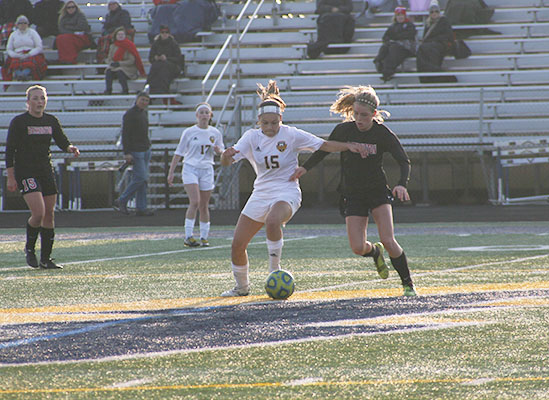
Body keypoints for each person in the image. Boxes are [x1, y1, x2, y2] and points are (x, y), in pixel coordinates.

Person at [219, 80, 371, 297]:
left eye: (274, 123)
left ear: (281, 119)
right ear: (258, 122)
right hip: (261, 192)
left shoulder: (291, 134)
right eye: (266, 123)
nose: (270, 128)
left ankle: (274, 271)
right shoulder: (251, 137)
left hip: (287, 191)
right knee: (237, 245)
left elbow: (324, 145)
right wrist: (225, 157)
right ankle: (241, 287)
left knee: (273, 220)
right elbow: (228, 161)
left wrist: (349, 146)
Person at [290, 85, 417, 297]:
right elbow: (324, 149)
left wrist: (402, 183)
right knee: (358, 248)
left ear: (374, 114)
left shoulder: (382, 134)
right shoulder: (344, 131)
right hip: (352, 193)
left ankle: (407, 284)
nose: (359, 118)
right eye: (356, 113)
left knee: (388, 239)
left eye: (364, 115)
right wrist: (304, 168)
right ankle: (375, 252)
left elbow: (404, 161)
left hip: (377, 191)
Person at [5, 85, 80, 269]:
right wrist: (11, 176)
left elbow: (62, 141)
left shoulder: (51, 120)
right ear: (28, 101)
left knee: (49, 215)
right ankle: (29, 249)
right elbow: (10, 150)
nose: (40, 102)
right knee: (38, 213)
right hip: (26, 172)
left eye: (42, 98)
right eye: (36, 98)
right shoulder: (19, 122)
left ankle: (46, 259)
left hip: (45, 170)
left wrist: (70, 148)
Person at [167, 103, 224, 247]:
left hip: (207, 169)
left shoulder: (215, 132)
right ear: (197, 115)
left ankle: (204, 237)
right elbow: (179, 152)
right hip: (190, 168)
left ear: (210, 115)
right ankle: (188, 236)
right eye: (202, 112)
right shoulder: (189, 132)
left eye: (207, 112)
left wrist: (219, 151)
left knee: (204, 205)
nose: (204, 115)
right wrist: (171, 172)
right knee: (195, 201)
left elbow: (221, 151)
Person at [114, 90, 155, 216]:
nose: (144, 102)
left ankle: (141, 208)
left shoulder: (144, 113)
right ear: (137, 100)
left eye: (146, 100)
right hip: (136, 151)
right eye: (142, 99)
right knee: (141, 177)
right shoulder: (129, 114)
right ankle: (122, 200)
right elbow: (125, 134)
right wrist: (127, 152)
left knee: (142, 180)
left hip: (145, 149)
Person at [416, 0, 456, 83]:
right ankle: (426, 75)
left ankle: (433, 73)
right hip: (430, 45)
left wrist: (434, 40)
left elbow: (448, 36)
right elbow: (425, 38)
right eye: (432, 12)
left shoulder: (444, 21)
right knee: (422, 49)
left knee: (428, 49)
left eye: (436, 11)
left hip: (441, 44)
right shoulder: (428, 24)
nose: (434, 13)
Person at [373, 6, 416, 82]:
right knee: (385, 47)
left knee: (394, 49)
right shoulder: (392, 26)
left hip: (406, 48)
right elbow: (385, 37)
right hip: (394, 46)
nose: (400, 17)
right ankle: (379, 64)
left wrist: (395, 39)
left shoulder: (409, 25)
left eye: (402, 15)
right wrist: (390, 41)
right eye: (398, 15)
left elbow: (409, 35)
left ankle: (388, 71)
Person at [2, 15, 47, 81]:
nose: (22, 25)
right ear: (17, 25)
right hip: (17, 54)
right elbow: (9, 49)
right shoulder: (13, 34)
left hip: (31, 53)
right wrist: (16, 55)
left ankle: (25, 75)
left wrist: (29, 54)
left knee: (30, 63)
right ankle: (19, 75)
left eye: (24, 23)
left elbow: (39, 47)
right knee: (14, 63)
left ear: (28, 24)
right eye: (20, 23)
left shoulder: (33, 32)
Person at [104, 27, 146, 95]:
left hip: (128, 68)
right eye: (119, 34)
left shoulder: (129, 45)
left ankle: (125, 90)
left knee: (120, 71)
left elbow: (131, 60)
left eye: (122, 34)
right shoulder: (113, 46)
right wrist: (111, 63)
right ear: (116, 36)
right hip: (115, 67)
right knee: (108, 71)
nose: (120, 36)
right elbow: (109, 58)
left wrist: (119, 63)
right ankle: (108, 90)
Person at [145, 25, 184, 98]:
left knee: (164, 66)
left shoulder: (173, 43)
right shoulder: (156, 44)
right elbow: (150, 58)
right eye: (163, 32)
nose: (164, 34)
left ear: (169, 33)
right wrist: (155, 58)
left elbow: (178, 58)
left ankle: (163, 90)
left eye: (166, 32)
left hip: (172, 66)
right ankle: (151, 89)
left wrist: (167, 58)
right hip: (159, 65)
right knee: (156, 66)